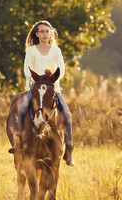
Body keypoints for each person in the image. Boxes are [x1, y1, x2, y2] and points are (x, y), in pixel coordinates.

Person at [9, 20, 75, 166]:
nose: (45, 34)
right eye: (42, 31)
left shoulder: (56, 51)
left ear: (50, 33)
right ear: (37, 34)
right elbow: (27, 69)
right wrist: (38, 79)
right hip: (35, 88)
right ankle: (18, 142)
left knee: (67, 114)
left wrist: (49, 80)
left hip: (52, 89)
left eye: (47, 31)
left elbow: (61, 70)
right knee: (21, 109)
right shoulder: (31, 51)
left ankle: (69, 148)